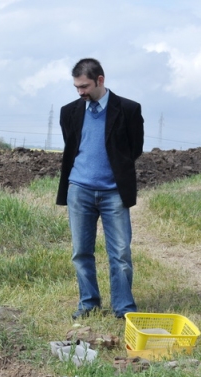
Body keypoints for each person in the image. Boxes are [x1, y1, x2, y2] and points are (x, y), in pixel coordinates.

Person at [58, 58, 144, 320]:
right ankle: (88, 303)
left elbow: (134, 149)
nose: (80, 92)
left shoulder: (128, 109)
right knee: (81, 252)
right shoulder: (69, 111)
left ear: (100, 80)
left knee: (120, 253)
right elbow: (72, 147)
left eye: (84, 86)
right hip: (79, 191)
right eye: (76, 87)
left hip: (114, 192)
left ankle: (123, 308)